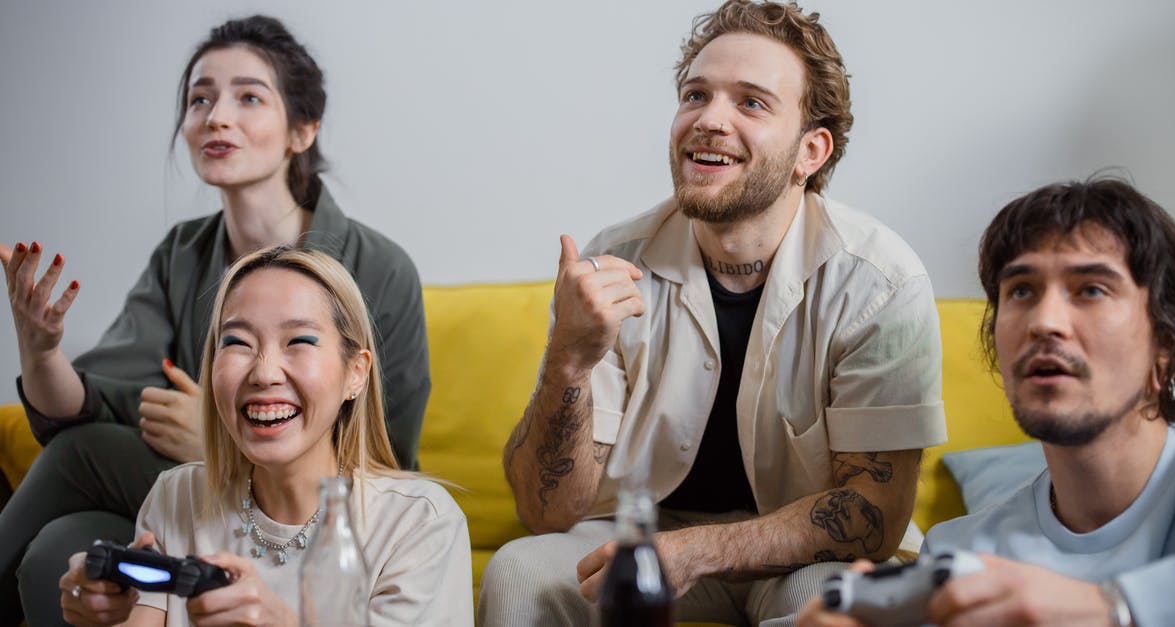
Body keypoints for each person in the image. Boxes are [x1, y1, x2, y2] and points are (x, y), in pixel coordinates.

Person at [479, 1, 947, 624]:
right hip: (639, 533)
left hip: (803, 558)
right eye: (695, 95)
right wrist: (568, 357)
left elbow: (874, 514)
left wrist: (696, 551)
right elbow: (548, 514)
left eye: (750, 103)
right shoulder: (610, 264)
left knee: (835, 599)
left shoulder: (879, 284)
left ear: (811, 150)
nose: (709, 120)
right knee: (518, 571)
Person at [0, 16, 430, 625]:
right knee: (57, 551)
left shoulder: (381, 269)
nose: (215, 116)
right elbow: (91, 402)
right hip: (185, 503)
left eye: (248, 97)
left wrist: (227, 440)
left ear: (302, 130)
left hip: (313, 505)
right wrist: (41, 351)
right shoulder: (182, 254)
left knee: (82, 454)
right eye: (199, 99)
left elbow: (391, 461)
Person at [795, 178, 1175, 626]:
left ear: (1167, 342)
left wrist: (1114, 609)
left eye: (1091, 290)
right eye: (1022, 291)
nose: (1044, 322)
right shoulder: (963, 551)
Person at [56, 247, 472, 626]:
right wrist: (102, 613)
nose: (264, 373)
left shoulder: (419, 525)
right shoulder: (177, 496)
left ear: (356, 372)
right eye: (236, 342)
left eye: (299, 341)